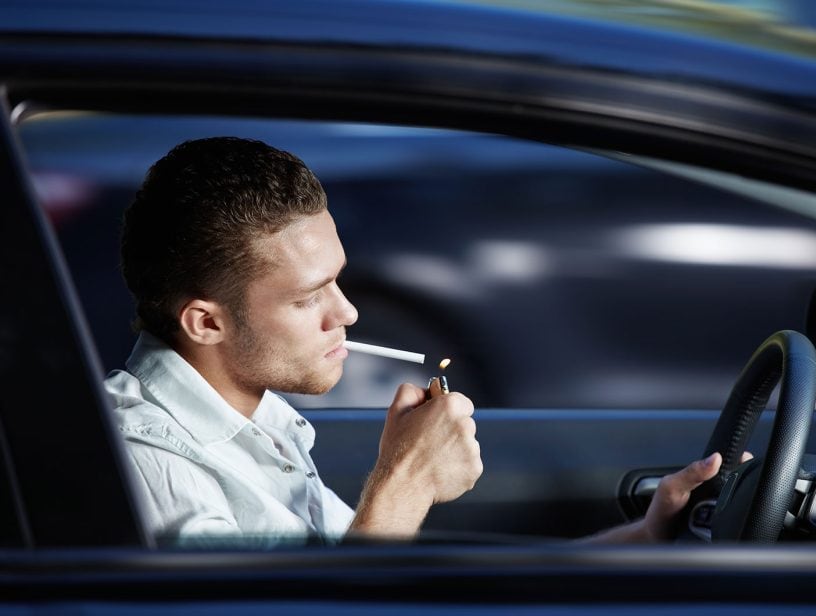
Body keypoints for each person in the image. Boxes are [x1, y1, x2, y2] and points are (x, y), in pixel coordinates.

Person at [105, 136, 729, 547]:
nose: (345, 312)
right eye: (307, 298)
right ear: (205, 323)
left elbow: (371, 575)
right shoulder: (148, 464)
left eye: (338, 282)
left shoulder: (255, 422)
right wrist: (406, 478)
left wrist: (647, 537)